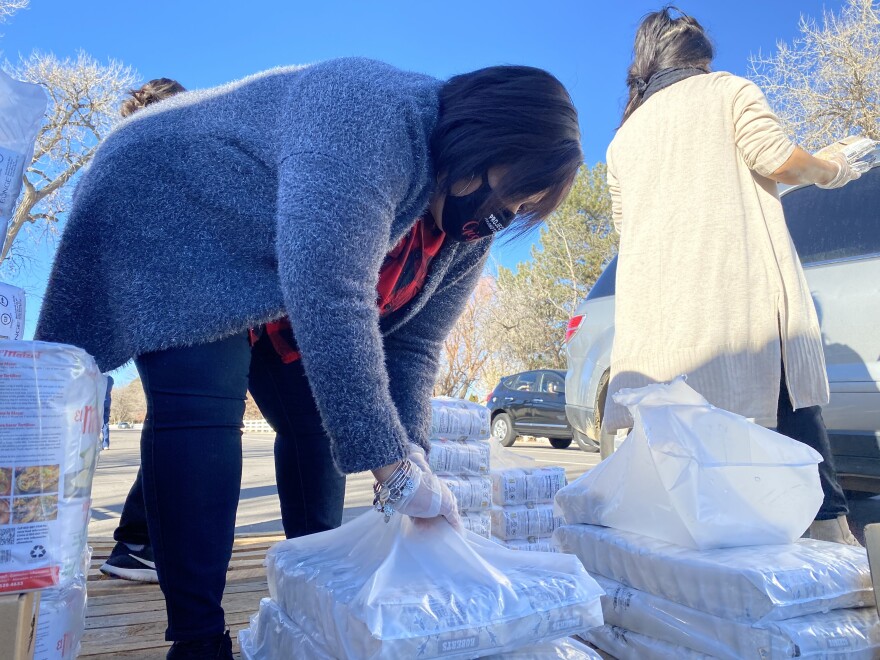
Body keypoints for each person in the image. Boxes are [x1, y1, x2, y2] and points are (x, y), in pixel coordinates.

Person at [35, 58, 582, 658]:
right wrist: (392, 472)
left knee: (319, 426)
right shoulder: (372, 115)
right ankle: (196, 638)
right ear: (482, 141)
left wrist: (413, 454)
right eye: (507, 194)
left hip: (275, 263)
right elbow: (329, 287)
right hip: (174, 197)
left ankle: (314, 596)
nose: (496, 220)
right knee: (202, 403)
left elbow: (413, 344)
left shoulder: (462, 236)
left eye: (516, 213)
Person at [603, 7, 865, 546]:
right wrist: (834, 166)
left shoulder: (622, 141)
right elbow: (779, 161)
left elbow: (628, 228)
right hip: (737, 306)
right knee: (795, 439)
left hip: (661, 332)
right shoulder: (727, 90)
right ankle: (839, 567)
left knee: (693, 493)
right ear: (699, 59)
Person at [98, 78, 187, 583]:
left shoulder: (128, 158)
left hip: (153, 311)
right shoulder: (154, 160)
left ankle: (139, 539)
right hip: (168, 310)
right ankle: (137, 543)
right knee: (180, 422)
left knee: (175, 420)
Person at [101, 374, 114, 449]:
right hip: (107, 402)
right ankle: (105, 444)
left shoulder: (99, 377)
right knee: (105, 423)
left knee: (94, 423)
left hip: (98, 402)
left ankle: (94, 442)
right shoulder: (110, 379)